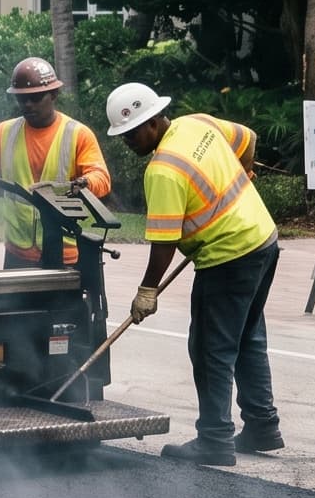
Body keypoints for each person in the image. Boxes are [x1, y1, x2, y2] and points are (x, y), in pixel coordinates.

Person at [105, 81, 283, 466]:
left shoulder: (163, 170)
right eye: (123, 137)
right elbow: (247, 138)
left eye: (132, 133)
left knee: (210, 348)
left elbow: (164, 241)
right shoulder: (197, 123)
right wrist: (246, 170)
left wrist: (146, 291)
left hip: (228, 257)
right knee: (247, 337)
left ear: (153, 121)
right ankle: (262, 426)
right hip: (264, 241)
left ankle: (215, 439)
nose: (129, 142)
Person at [0, 57, 111, 267]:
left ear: (54, 94)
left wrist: (85, 183)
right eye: (22, 99)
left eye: (36, 97)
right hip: (18, 252)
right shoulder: (6, 132)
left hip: (64, 253)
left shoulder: (77, 134)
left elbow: (101, 178)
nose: (28, 104)